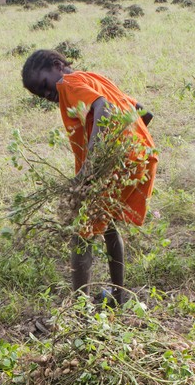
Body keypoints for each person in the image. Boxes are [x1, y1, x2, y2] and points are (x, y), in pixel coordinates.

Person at [21, 50, 158, 307]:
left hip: (114, 165)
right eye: (41, 95)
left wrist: (92, 165)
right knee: (109, 226)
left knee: (80, 233)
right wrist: (126, 145)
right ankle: (119, 296)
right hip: (139, 157)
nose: (48, 94)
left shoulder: (68, 84)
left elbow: (103, 108)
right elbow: (142, 112)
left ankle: (79, 309)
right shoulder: (95, 79)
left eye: (44, 85)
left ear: (58, 65)